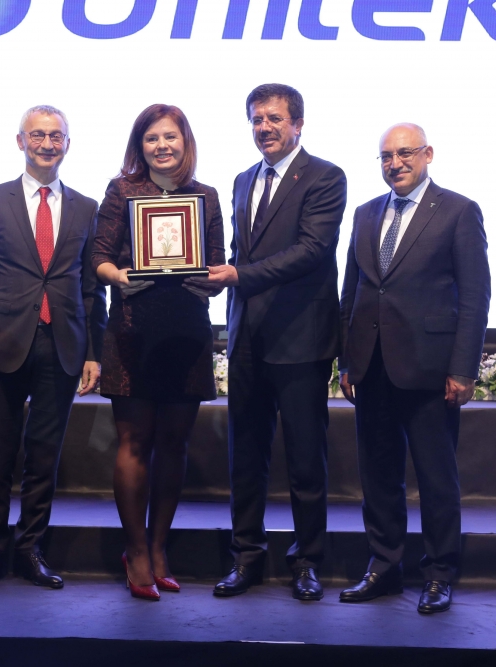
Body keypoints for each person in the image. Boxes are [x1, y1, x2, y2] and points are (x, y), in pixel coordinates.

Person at [188, 83, 347, 601]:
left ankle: (307, 562)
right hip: (247, 339)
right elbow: (240, 252)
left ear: (298, 124)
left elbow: (311, 250)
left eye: (274, 119)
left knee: (305, 461)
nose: (264, 128)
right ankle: (247, 558)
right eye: (257, 119)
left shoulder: (325, 177)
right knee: (245, 458)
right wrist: (211, 276)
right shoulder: (242, 180)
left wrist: (238, 275)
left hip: (301, 339)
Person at [337, 123, 490, 613]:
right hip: (371, 368)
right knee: (378, 476)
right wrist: (347, 360)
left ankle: (440, 573)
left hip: (430, 370)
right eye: (386, 156)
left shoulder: (459, 211)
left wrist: (463, 369)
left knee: (436, 479)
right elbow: (352, 292)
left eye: (405, 153)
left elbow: (475, 298)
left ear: (427, 154)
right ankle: (384, 567)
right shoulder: (364, 213)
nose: (395, 163)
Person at [0, 105, 107, 592]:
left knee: (44, 456)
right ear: (20, 142)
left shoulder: (86, 207)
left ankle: (30, 549)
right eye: (37, 135)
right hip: (1, 342)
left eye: (56, 136)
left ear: (67, 144)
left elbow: (91, 290)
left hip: (63, 346)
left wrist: (94, 352)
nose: (47, 144)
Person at [92, 104, 225, 601]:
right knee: (134, 442)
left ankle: (159, 546)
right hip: (132, 329)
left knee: (174, 443)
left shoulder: (205, 196)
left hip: (187, 331)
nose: (161, 146)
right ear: (140, 145)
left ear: (185, 142)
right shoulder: (122, 191)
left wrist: (211, 280)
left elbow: (216, 264)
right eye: (152, 138)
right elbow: (98, 257)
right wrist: (118, 276)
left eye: (170, 137)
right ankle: (136, 550)